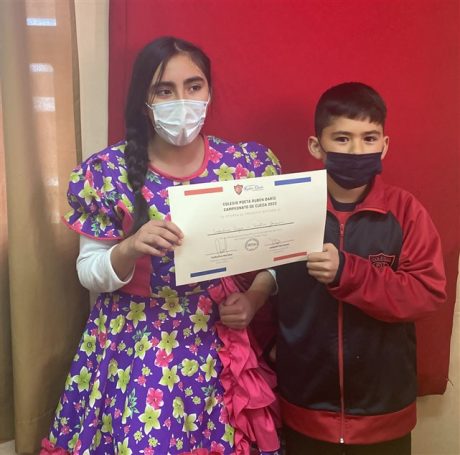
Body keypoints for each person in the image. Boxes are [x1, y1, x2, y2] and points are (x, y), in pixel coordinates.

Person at [41, 36, 281, 455]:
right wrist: (129, 248)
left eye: (194, 86)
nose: (182, 100)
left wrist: (255, 297)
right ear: (144, 101)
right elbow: (88, 272)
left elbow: (279, 252)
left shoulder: (244, 167)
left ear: (209, 91)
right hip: (135, 345)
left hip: (216, 340)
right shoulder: (108, 173)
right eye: (164, 90)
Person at [274, 82, 446, 454]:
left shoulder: (405, 211)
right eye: (342, 138)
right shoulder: (287, 207)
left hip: (383, 415)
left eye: (369, 138)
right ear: (316, 146)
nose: (357, 150)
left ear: (385, 144)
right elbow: (265, 275)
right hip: (304, 408)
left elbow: (427, 293)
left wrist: (347, 272)